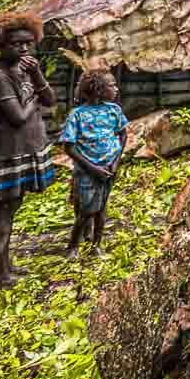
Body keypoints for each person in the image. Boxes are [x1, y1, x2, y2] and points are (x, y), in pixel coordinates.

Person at [0, 13, 57, 291]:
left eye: (28, 43)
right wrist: (34, 98)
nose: (24, 49)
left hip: (26, 148)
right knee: (3, 211)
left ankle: (6, 265)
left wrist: (36, 75)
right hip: (8, 152)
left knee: (13, 208)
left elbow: (50, 100)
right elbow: (18, 116)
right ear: (1, 44)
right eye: (16, 44)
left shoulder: (24, 70)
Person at [60, 70, 127, 258]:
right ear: (98, 90)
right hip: (87, 171)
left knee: (102, 209)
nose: (116, 88)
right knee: (87, 210)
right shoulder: (78, 115)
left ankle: (96, 246)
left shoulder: (114, 110)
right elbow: (69, 148)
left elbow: (123, 135)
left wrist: (115, 162)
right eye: (111, 85)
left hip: (109, 169)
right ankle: (73, 246)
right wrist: (92, 168)